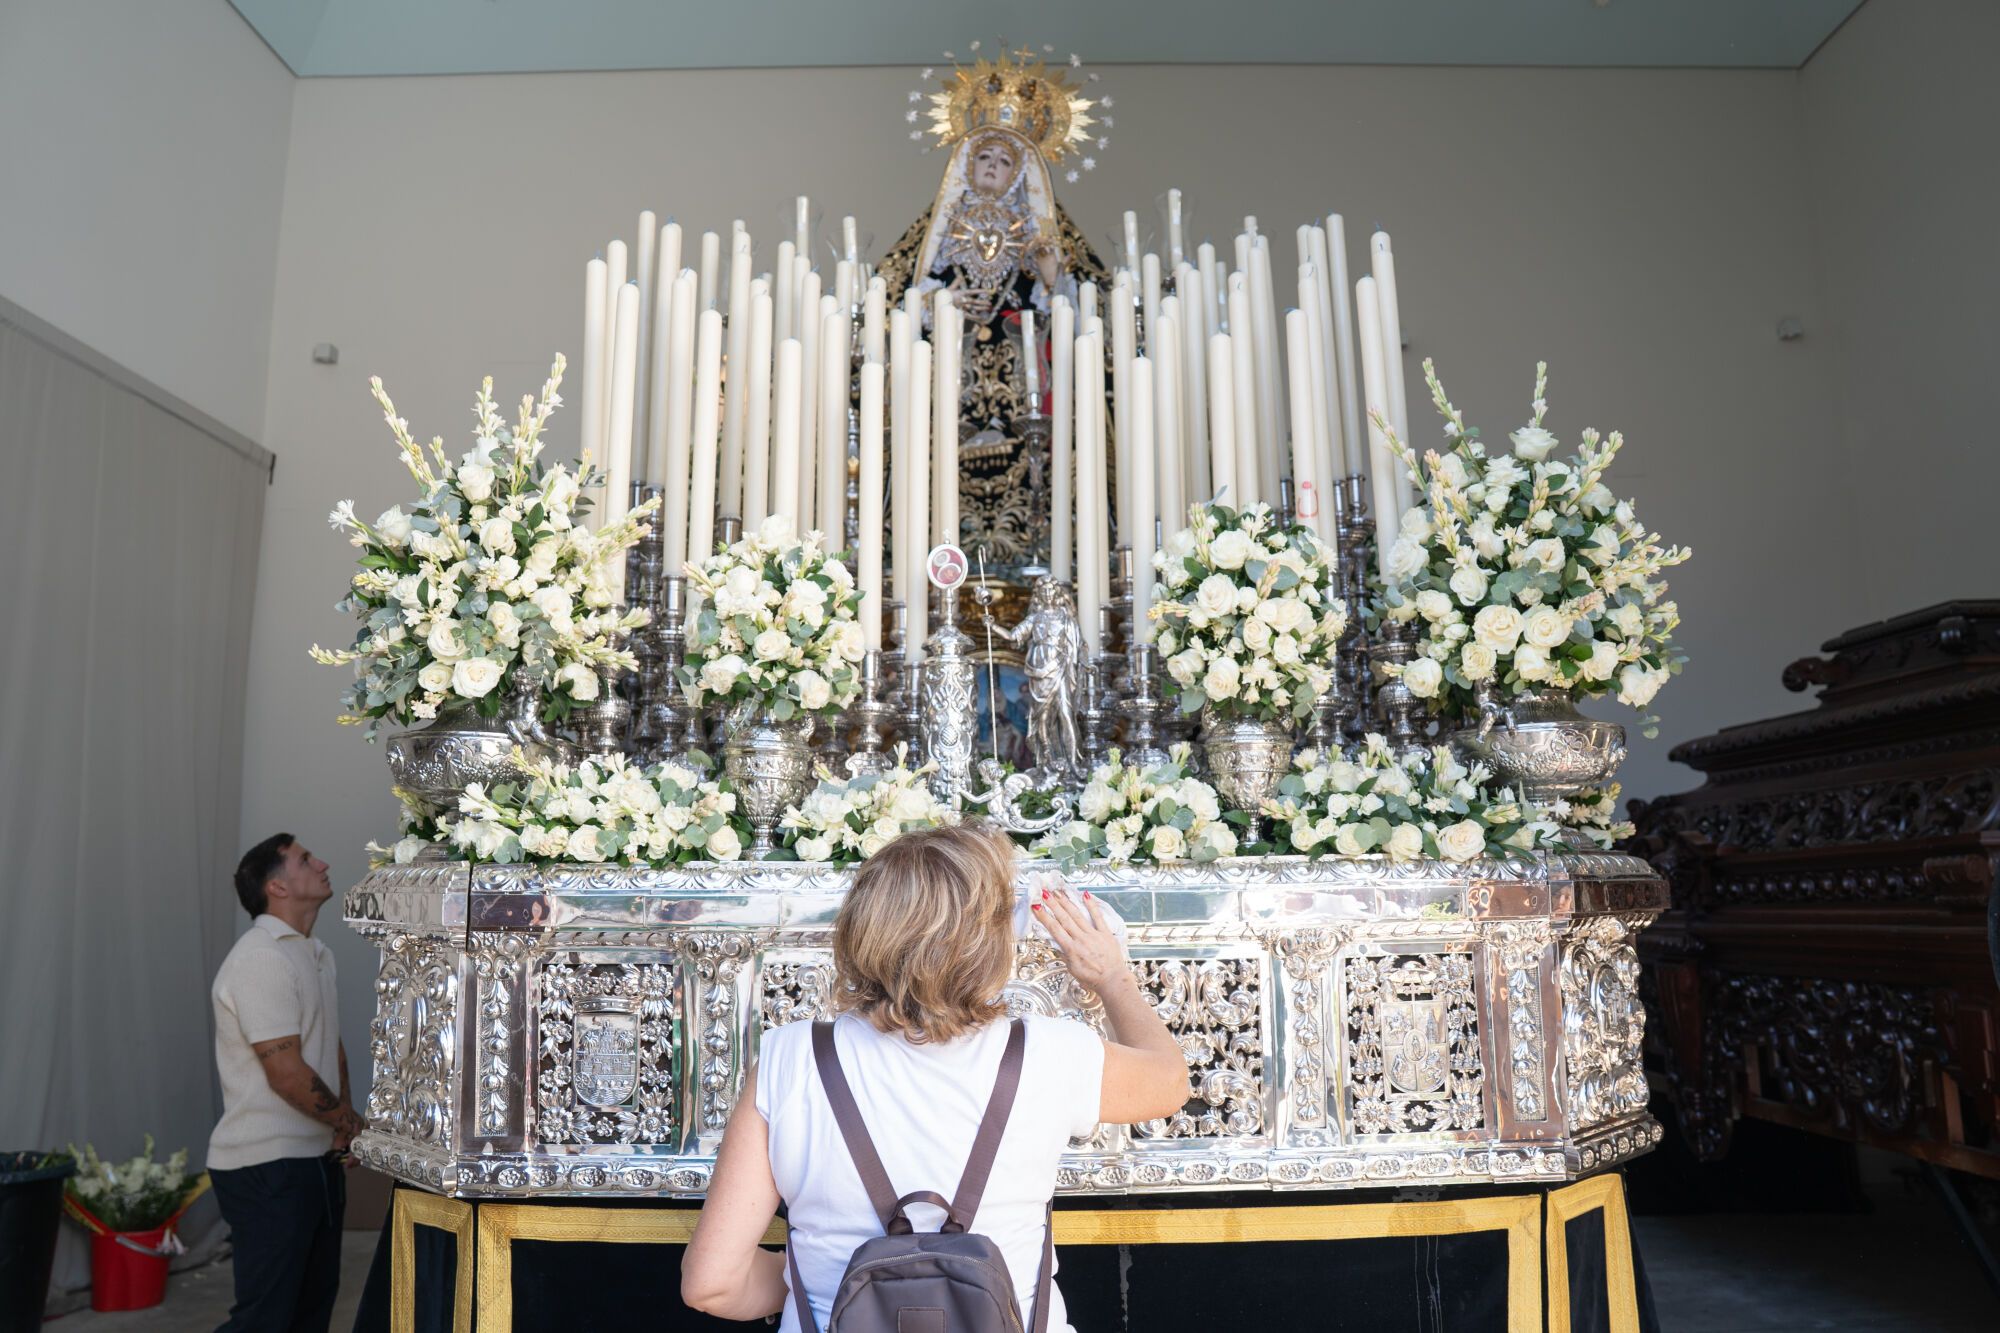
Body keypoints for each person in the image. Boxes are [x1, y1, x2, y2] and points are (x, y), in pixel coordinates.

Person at [682, 822, 1188, 1330]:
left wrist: (808, 1281)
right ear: (989, 944)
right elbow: (1170, 1083)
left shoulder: (788, 1058)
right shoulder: (1049, 1052)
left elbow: (712, 1283)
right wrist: (1113, 978)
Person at [206, 834, 364, 1333]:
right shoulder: (260, 958)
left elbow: (329, 1046)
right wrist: (347, 1120)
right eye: (303, 859)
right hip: (266, 1168)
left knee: (310, 1311)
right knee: (265, 1319)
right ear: (276, 886)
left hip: (313, 1159)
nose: (323, 862)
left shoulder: (316, 954)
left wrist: (342, 1126)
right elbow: (287, 1073)